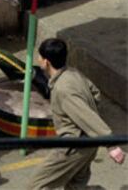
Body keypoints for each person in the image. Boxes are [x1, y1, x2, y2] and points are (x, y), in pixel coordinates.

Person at [28, 38, 125, 190]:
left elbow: (86, 116)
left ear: (46, 62)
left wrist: (111, 144)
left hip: (73, 147)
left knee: (35, 186)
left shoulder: (63, 89)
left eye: (39, 56)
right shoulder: (73, 73)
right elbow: (95, 94)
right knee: (75, 185)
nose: (38, 59)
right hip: (89, 145)